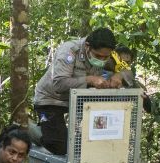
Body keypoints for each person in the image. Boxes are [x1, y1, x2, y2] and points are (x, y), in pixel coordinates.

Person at [31, 27, 119, 155]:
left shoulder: (109, 55)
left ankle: (50, 130)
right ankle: (25, 128)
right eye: (98, 56)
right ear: (88, 46)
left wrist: (119, 75)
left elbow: (126, 71)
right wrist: (90, 79)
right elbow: (59, 84)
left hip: (79, 100)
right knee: (59, 147)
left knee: (91, 139)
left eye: (105, 57)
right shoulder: (69, 51)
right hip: (50, 99)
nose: (101, 60)